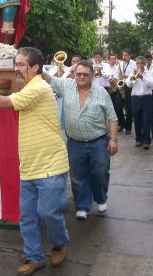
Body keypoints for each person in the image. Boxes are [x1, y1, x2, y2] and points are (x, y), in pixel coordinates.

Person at [0, 47, 69, 276]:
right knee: (28, 216)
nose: (16, 68)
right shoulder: (29, 86)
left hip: (51, 165)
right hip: (29, 166)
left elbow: (4, 103)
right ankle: (34, 258)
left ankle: (60, 243)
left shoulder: (40, 87)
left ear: (35, 67)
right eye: (15, 64)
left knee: (48, 212)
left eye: (21, 64)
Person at [42, 60, 118, 220]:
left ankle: (101, 198)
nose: (82, 77)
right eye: (79, 74)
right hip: (75, 142)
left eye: (85, 74)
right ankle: (82, 206)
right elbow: (49, 79)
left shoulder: (101, 92)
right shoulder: (66, 86)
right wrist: (34, 65)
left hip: (98, 141)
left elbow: (112, 117)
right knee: (77, 176)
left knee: (100, 172)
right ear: (74, 75)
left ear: (92, 76)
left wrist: (113, 140)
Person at [126, 56, 153, 149]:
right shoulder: (132, 73)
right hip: (135, 99)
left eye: (141, 63)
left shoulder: (148, 73)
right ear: (136, 64)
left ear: (145, 64)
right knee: (137, 120)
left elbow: (151, 85)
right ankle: (138, 139)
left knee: (146, 120)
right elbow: (128, 84)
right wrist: (133, 78)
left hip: (146, 98)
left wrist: (142, 77)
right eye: (138, 63)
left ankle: (146, 140)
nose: (140, 65)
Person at [102, 54, 125, 132]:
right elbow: (103, 75)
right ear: (108, 60)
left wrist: (114, 78)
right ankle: (111, 126)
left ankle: (122, 124)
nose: (113, 60)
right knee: (108, 108)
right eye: (111, 59)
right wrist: (109, 76)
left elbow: (119, 79)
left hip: (116, 89)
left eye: (114, 59)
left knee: (118, 107)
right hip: (107, 89)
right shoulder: (104, 67)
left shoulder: (117, 68)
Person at [120, 49, 136, 134]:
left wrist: (126, 76)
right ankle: (122, 124)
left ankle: (128, 128)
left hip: (129, 86)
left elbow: (134, 76)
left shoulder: (134, 64)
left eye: (126, 55)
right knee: (118, 106)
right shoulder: (121, 63)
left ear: (130, 55)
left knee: (129, 108)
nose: (124, 57)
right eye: (123, 55)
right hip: (121, 86)